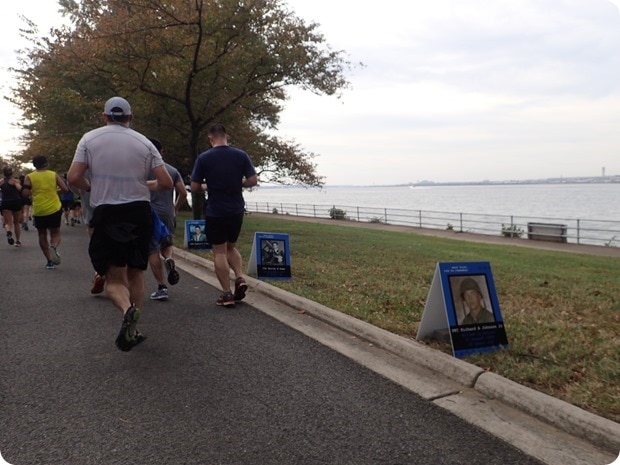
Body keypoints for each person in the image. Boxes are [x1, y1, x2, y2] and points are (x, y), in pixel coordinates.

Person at [67, 96, 173, 352]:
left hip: (107, 212)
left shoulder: (89, 139)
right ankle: (133, 329)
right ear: (130, 117)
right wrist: (148, 185)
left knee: (113, 276)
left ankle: (126, 310)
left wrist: (91, 187)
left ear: (105, 116)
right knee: (136, 272)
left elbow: (73, 177)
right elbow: (166, 183)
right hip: (139, 212)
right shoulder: (145, 143)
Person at [190, 123, 258, 307]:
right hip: (236, 210)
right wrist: (238, 183)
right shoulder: (240, 155)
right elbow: (252, 180)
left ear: (210, 138)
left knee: (219, 251)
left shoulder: (204, 158)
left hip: (216, 210)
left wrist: (207, 185)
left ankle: (227, 294)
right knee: (231, 247)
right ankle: (240, 277)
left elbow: (195, 187)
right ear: (226, 136)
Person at [147, 138, 187, 301]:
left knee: (152, 249)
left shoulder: (142, 170)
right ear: (161, 152)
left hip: (149, 212)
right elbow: (183, 193)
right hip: (168, 212)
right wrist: (175, 208)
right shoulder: (171, 170)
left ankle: (161, 286)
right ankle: (169, 259)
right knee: (167, 242)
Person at [21, 156, 68, 268]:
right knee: (55, 232)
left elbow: (25, 194)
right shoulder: (53, 174)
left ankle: (49, 261)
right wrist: (55, 193)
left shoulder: (29, 177)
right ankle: (54, 246)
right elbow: (65, 189)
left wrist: (33, 193)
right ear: (46, 164)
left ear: (34, 165)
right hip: (54, 208)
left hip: (39, 209)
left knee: (42, 234)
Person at [0, 166, 24, 247]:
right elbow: (19, 188)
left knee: (8, 222)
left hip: (5, 202)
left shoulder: (1, 181)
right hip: (16, 202)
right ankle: (17, 241)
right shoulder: (15, 181)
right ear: (11, 173)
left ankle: (9, 231)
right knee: (16, 222)